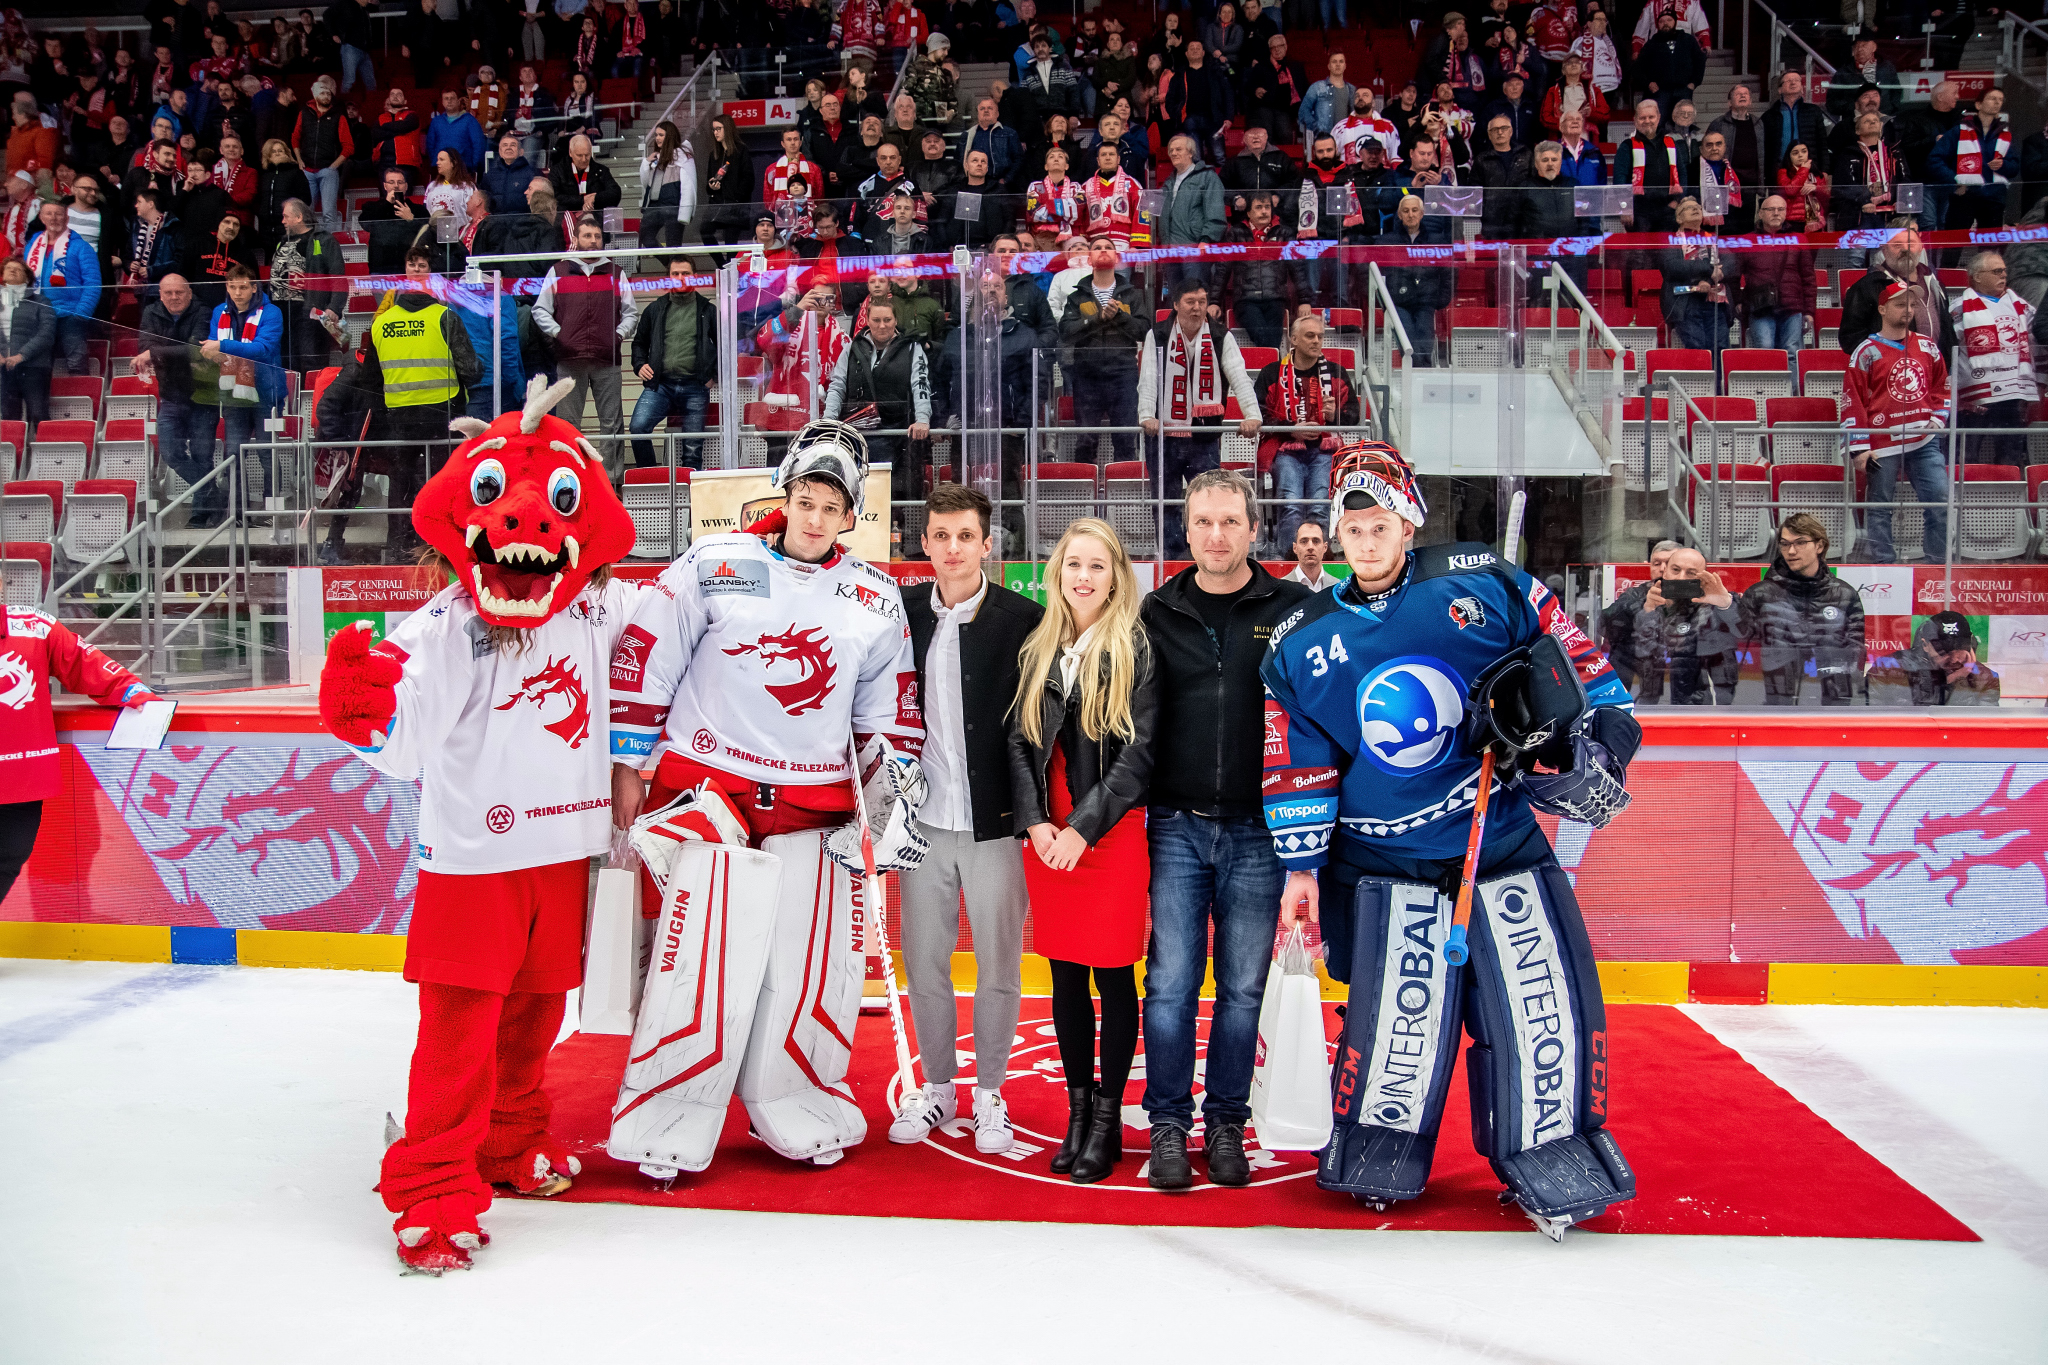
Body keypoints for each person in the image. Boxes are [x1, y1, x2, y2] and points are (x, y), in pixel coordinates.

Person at [1262, 440, 1639, 1238]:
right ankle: (1381, 1138)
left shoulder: (1485, 582)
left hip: (1496, 834)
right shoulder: (1300, 640)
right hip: (1381, 857)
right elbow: (1299, 759)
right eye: (1353, 528)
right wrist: (1301, 867)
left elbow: (1577, 664)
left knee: (1538, 1006)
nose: (1366, 540)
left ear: (1409, 524)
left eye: (1381, 525)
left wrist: (1597, 739)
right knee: (1399, 1021)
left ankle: (1553, 1142)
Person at [317, 379, 637, 1271]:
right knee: (459, 1032)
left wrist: (755, 549)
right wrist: (368, 709)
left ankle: (510, 1137)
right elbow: (406, 732)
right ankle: (431, 1187)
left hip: (564, 850)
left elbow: (682, 616)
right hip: (473, 859)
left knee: (536, 1014)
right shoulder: (445, 625)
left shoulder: (597, 606)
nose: (528, 521)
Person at [606, 421, 925, 1179]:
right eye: (805, 500)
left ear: (851, 515)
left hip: (814, 807)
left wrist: (890, 801)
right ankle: (666, 1109)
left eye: (831, 507)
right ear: (786, 496)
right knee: (697, 965)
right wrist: (627, 761)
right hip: (708, 792)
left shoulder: (875, 597)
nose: (815, 517)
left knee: (807, 968)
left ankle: (796, 1095)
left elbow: (887, 714)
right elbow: (649, 656)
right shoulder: (714, 564)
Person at [1129, 471, 1310, 1195]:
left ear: (1254, 528)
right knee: (1171, 983)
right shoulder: (1157, 610)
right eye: (1203, 521)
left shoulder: (1293, 609)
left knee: (1241, 987)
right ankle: (1169, 1122)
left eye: (1230, 521)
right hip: (1176, 826)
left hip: (1263, 830)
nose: (1216, 534)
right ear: (1185, 528)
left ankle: (1228, 1121)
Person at [885, 483, 1045, 1152]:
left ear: (986, 544)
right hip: (922, 822)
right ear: (924, 543)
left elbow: (1039, 726)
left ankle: (990, 1095)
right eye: (941, 536)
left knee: (999, 963)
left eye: (965, 536)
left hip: (994, 822)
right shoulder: (900, 613)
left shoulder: (1024, 619)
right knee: (924, 960)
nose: (953, 548)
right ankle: (939, 1088)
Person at [1006, 517, 1157, 1185]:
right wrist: (1037, 823)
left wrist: (1082, 829)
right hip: (1049, 837)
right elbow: (1018, 742)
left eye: (1098, 565)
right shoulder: (1039, 646)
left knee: (1114, 975)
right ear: (1057, 572)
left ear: (1116, 576)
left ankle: (1107, 1120)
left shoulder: (1135, 647)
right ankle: (1077, 1114)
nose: (1084, 577)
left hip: (1108, 834)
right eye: (1074, 564)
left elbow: (1139, 755)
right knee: (1065, 975)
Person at [0, 594, 155, 905]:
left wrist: (137, 694)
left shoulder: (34, 626)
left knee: (8, 860)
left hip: (18, 781)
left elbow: (87, 665)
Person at [358, 248, 483, 542]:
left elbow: (370, 380)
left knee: (400, 479)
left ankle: (397, 544)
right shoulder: (445, 317)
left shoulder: (381, 322)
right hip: (443, 414)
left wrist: (384, 412)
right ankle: (440, 542)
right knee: (442, 479)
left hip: (399, 416)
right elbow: (471, 370)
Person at [1139, 277, 1262, 559]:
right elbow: (1148, 379)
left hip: (1204, 435)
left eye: (1202, 302)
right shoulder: (1157, 334)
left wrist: (1252, 415)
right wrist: (1146, 415)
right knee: (1166, 501)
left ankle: (1204, 556)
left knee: (1207, 501)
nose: (1197, 308)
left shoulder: (1220, 335)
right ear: (1175, 304)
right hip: (1163, 435)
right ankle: (1172, 559)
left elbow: (1239, 377)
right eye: (1190, 302)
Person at [1848, 281, 1951, 568]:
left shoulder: (1928, 346)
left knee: (1940, 501)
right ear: (1882, 309)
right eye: (1900, 304)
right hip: (1882, 443)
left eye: (1912, 304)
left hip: (1923, 439)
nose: (1908, 309)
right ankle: (1885, 567)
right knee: (1880, 508)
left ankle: (1936, 567)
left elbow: (1942, 386)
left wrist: (1937, 419)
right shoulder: (1866, 351)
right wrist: (1859, 448)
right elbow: (1853, 400)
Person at [532, 214, 636, 474]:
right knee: (567, 424)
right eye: (587, 236)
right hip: (569, 358)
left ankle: (611, 480)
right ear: (576, 239)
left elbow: (631, 313)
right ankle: (571, 476)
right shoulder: (559, 271)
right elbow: (540, 310)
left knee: (611, 424)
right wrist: (560, 334)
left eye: (597, 236)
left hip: (607, 358)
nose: (593, 241)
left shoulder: (615, 273)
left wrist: (617, 335)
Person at [1254, 312, 1359, 550]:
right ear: (1293, 339)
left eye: (1320, 336)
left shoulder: (1337, 372)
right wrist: (1292, 430)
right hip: (1285, 450)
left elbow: (1353, 415)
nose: (1316, 341)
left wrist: (1334, 416)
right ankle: (1289, 560)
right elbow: (1259, 413)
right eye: (1310, 336)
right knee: (1290, 504)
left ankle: (1318, 560)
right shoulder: (1272, 372)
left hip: (1324, 451)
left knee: (1320, 505)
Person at [1738, 512, 1865, 705]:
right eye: (1785, 544)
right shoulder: (1758, 594)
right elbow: (1743, 655)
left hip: (1831, 706)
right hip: (1774, 704)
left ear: (1819, 546)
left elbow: (1855, 657)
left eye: (1800, 543)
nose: (1791, 551)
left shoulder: (1845, 594)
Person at [191, 263, 282, 527]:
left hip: (266, 394)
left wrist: (222, 346)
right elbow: (212, 347)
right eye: (232, 287)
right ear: (227, 288)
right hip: (233, 394)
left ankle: (270, 513)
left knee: (267, 454)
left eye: (243, 287)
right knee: (233, 455)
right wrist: (212, 354)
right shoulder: (219, 312)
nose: (238, 293)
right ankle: (238, 513)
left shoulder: (271, 312)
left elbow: (262, 349)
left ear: (254, 288)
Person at [822, 294, 930, 511]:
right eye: (877, 320)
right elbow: (837, 386)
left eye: (887, 320)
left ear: (896, 320)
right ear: (867, 321)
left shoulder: (912, 348)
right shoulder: (851, 348)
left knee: (891, 496)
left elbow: (920, 385)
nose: (882, 325)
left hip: (897, 435)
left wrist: (923, 419)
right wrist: (828, 421)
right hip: (856, 434)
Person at [627, 257, 714, 470]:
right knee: (638, 429)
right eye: (675, 274)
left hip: (695, 387)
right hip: (660, 386)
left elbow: (725, 344)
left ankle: (689, 492)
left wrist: (715, 376)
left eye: (685, 273)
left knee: (692, 451)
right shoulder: (654, 309)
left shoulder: (708, 310)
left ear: (695, 277)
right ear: (668, 278)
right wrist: (639, 365)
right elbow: (639, 343)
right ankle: (651, 480)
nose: (680, 278)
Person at [1951, 252, 2035, 469]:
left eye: (2005, 270)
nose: (2004, 275)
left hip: (2013, 394)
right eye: (1997, 271)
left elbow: (2037, 340)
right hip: (1974, 397)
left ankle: (2008, 491)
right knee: (1965, 459)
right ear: (1977, 276)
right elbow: (1947, 352)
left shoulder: (2022, 307)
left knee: (2010, 459)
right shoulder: (1959, 308)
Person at [1627, 546, 1739, 705]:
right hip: (1651, 702)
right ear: (1665, 571)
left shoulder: (1714, 605)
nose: (1681, 578)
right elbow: (1626, 647)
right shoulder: (1642, 598)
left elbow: (1747, 630)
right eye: (1676, 570)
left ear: (1702, 577)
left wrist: (1725, 604)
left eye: (1691, 573)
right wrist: (1647, 611)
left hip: (1700, 707)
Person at [1840, 220, 1956, 357]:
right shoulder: (1867, 287)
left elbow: (1948, 333)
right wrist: (1888, 358)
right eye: (1897, 245)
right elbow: (1850, 339)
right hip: (1892, 368)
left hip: (1935, 367)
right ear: (1884, 250)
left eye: (1911, 243)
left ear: (1921, 247)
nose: (1905, 249)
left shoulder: (1935, 284)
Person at [22, 201, 97, 377]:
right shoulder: (32, 246)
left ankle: (79, 395)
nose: (53, 218)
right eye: (49, 214)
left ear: (67, 218)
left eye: (58, 214)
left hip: (70, 315)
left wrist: (81, 313)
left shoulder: (81, 247)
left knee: (76, 365)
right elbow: (25, 280)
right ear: (41, 218)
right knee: (39, 366)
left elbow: (93, 283)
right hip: (38, 315)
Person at [270, 197, 343, 376]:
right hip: (281, 311)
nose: (283, 221)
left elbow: (338, 277)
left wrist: (334, 307)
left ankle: (312, 393)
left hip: (309, 311)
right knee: (286, 360)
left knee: (311, 359)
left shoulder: (324, 240)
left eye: (286, 216)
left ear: (299, 217)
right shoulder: (282, 241)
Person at [1659, 196, 1737, 365]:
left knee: (1719, 349)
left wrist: (1711, 279)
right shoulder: (1671, 240)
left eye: (1698, 207)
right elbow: (1672, 266)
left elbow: (1731, 262)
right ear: (1679, 218)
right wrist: (1709, 270)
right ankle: (1699, 383)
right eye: (1689, 208)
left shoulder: (1713, 238)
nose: (1695, 209)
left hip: (1715, 303)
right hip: (1686, 303)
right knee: (1697, 348)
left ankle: (1717, 383)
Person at [1866, 610, 2001, 706]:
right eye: (1944, 653)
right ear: (1925, 645)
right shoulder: (1886, 670)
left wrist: (1959, 682)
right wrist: (1945, 682)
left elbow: (1982, 729)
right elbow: (1871, 720)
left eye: (1960, 651)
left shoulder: (1985, 678)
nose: (1954, 659)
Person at [1379, 194, 1452, 366]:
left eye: (1414, 210)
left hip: (1426, 302)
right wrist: (1383, 299)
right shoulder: (1387, 241)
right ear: (1399, 215)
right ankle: (1415, 372)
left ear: (1421, 213)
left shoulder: (1436, 241)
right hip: (1398, 302)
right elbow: (1371, 271)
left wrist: (1441, 299)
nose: (1410, 214)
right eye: (1406, 211)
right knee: (1407, 340)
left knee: (1425, 339)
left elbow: (1448, 272)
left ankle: (1422, 373)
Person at [1597, 539, 1680, 691]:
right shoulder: (1635, 594)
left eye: (1669, 564)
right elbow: (1605, 623)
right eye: (1657, 563)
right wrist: (1644, 607)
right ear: (1649, 566)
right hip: (1635, 673)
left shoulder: (1693, 597)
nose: (1662, 569)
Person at [1932, 87, 2012, 234]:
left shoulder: (2004, 134)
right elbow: (1935, 160)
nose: (1997, 102)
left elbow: (2015, 165)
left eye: (2000, 99)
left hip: (1993, 198)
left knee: (1990, 244)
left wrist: (2003, 165)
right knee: (1955, 243)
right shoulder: (1959, 131)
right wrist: (1955, 180)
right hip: (1964, 195)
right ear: (1978, 105)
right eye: (1992, 98)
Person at [1220, 195, 1296, 348]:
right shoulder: (1235, 233)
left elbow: (1297, 268)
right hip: (1246, 299)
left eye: (1267, 207)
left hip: (1275, 298)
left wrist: (1305, 301)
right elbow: (1223, 268)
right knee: (1264, 338)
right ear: (1248, 212)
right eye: (1259, 207)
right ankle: (1272, 362)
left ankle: (1270, 362)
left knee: (1273, 341)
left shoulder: (1284, 233)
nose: (1264, 211)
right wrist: (1214, 302)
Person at [0, 255, 54, 428]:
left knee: (38, 414)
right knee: (8, 416)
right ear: (2, 274)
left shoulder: (41, 301)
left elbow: (47, 334)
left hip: (34, 366)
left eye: (18, 269)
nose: (13, 271)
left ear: (28, 278)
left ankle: (42, 445)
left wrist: (21, 355)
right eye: (9, 268)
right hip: (3, 368)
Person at [1615, 98, 1681, 231]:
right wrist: (1625, 208)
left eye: (1651, 117)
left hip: (1668, 210)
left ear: (1658, 118)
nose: (1647, 121)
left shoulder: (1671, 144)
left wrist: (1678, 201)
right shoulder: (1627, 146)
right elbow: (1620, 179)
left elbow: (1682, 173)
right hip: (1639, 212)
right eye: (1642, 118)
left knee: (1667, 245)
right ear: (1635, 120)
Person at [1764, 70, 1829, 181]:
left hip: (1810, 170)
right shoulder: (1769, 116)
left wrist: (1825, 170)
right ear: (1780, 90)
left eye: (1796, 80)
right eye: (1788, 81)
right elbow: (1765, 149)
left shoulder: (1813, 111)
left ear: (1802, 88)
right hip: (1779, 173)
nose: (1793, 83)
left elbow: (1822, 143)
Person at [550, 132, 621, 217]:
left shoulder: (601, 170)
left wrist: (595, 198)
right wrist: (582, 200)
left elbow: (615, 193)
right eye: (579, 155)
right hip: (567, 219)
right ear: (570, 153)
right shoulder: (557, 171)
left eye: (587, 155)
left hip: (595, 219)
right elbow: (554, 197)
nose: (584, 159)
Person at [1301, 51, 1359, 141]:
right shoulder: (1317, 87)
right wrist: (1315, 129)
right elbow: (1304, 110)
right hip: (1323, 139)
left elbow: (1357, 114)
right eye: (1334, 61)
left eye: (1341, 61)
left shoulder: (1352, 90)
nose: (1338, 64)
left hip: (1345, 139)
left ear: (1345, 66)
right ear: (1329, 66)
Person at [1283, 519, 1337, 590]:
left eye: (1316, 541)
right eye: (1304, 541)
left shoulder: (1338, 588)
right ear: (1295, 548)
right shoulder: (1281, 589)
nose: (1310, 547)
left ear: (1325, 547)